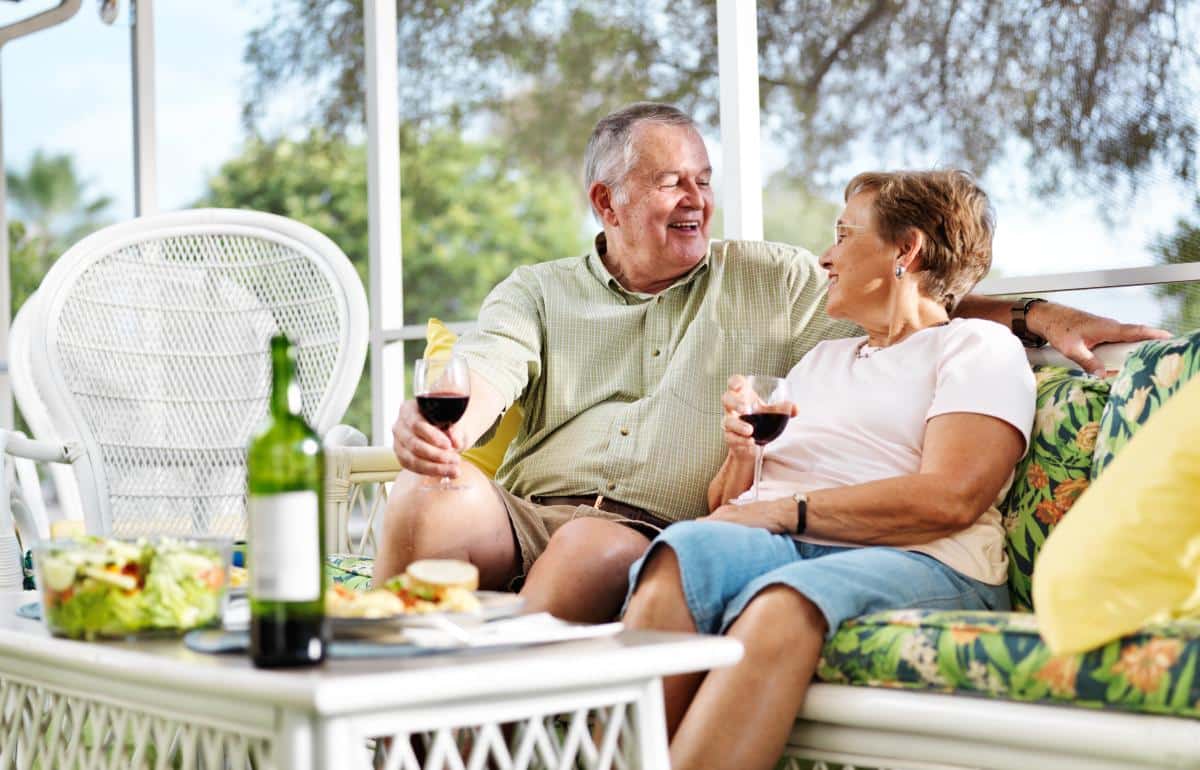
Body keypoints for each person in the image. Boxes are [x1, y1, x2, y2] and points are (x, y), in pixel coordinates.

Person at [377, 102, 1168, 623]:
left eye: (703, 181)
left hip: (643, 528)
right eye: (669, 183)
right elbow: (488, 368)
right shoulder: (539, 291)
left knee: (587, 545)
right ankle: (375, 720)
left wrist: (1036, 312)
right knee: (423, 497)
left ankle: (512, 733)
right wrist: (441, 428)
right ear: (606, 202)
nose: (695, 198)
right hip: (526, 512)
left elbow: (910, 298)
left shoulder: (778, 279)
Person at [621, 169, 1034, 770]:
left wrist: (787, 512)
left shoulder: (975, 348)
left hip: (927, 556)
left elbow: (952, 498)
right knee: (682, 552)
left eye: (844, 235)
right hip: (797, 541)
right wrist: (742, 456)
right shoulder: (821, 359)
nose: (825, 256)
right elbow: (727, 511)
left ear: (906, 250)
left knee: (783, 601)